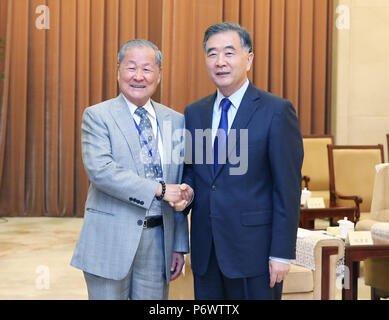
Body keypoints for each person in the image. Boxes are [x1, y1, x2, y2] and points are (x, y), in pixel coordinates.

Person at [182, 22, 303, 299]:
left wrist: (282, 253)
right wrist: (186, 191)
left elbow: (287, 188)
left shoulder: (276, 111)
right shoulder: (195, 113)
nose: (220, 62)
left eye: (229, 53)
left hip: (255, 255)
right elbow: (192, 172)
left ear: (249, 59)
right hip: (207, 253)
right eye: (212, 54)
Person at [71, 39, 189, 300]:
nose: (138, 76)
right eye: (131, 67)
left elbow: (179, 183)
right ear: (118, 71)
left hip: (159, 241)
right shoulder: (97, 115)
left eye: (147, 69)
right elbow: (101, 171)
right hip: (110, 239)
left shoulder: (176, 120)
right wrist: (159, 190)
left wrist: (179, 244)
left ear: (159, 74)